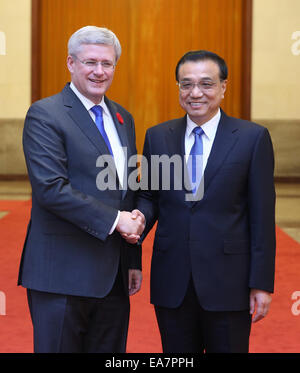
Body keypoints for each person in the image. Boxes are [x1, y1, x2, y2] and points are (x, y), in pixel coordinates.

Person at [134, 50, 276, 353]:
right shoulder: (158, 137)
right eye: (186, 84)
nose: (195, 93)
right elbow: (149, 197)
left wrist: (261, 283)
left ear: (224, 87)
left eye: (206, 84)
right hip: (172, 281)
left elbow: (262, 217)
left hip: (230, 283)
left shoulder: (252, 138)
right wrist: (136, 226)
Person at [18, 26, 145, 353]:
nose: (99, 71)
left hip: (113, 277)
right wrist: (118, 221)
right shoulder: (45, 114)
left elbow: (126, 191)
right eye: (90, 62)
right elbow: (51, 189)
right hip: (62, 274)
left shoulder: (123, 118)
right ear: (70, 63)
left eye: (108, 63)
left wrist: (132, 260)